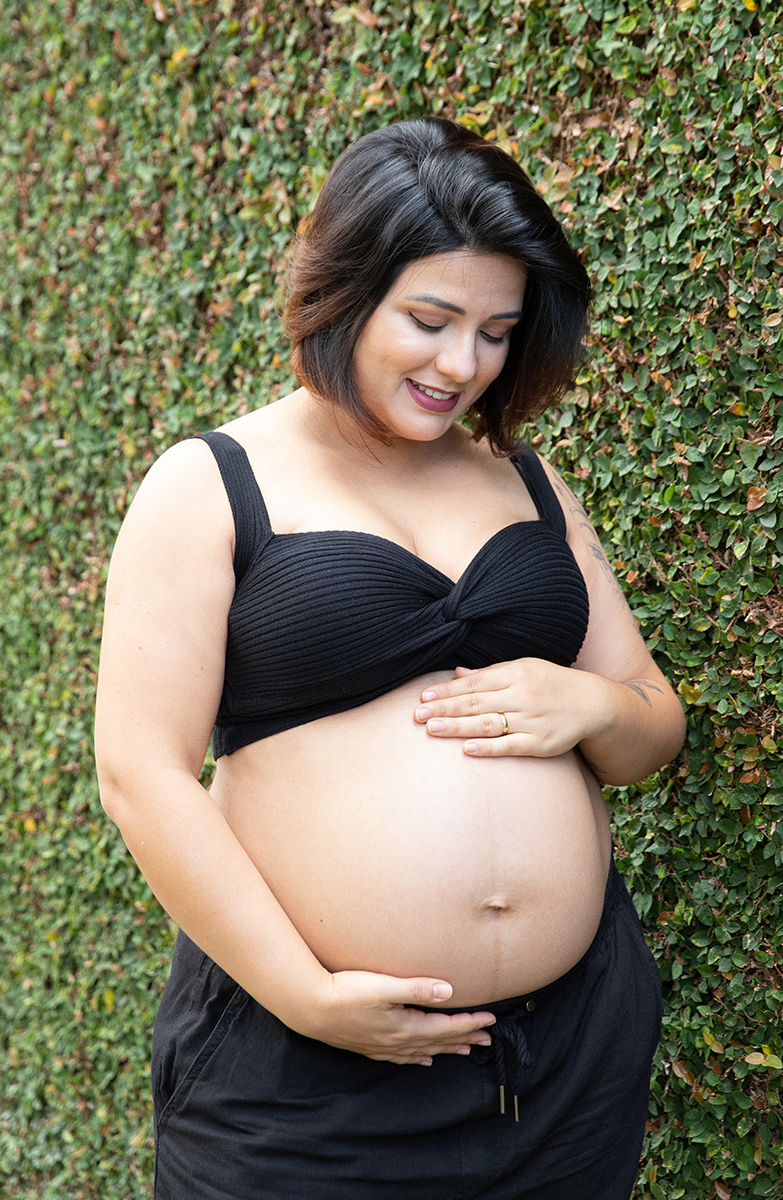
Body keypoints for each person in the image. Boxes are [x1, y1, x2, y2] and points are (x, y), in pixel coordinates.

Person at [95, 117, 686, 1200]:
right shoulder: (211, 482)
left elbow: (653, 720)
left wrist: (588, 706)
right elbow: (141, 776)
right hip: (305, 1078)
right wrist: (298, 993)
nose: (462, 364)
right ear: (347, 289)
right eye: (430, 319)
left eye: (498, 331)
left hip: (562, 1064)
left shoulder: (527, 483)